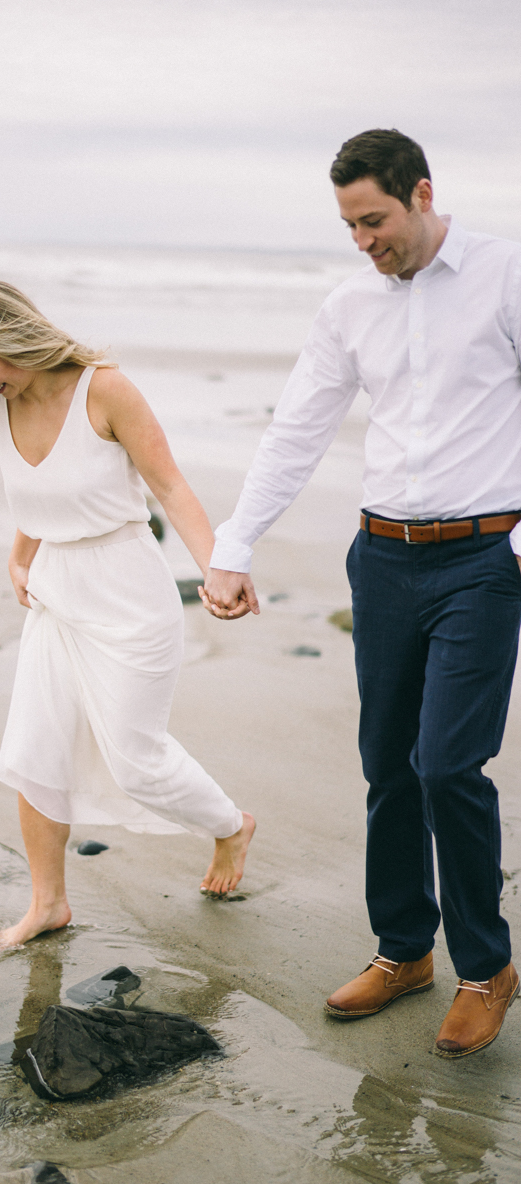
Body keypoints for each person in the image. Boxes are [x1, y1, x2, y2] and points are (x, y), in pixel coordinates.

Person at [202, 128, 521, 1058]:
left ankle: (486, 968)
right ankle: (402, 952)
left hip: (482, 560)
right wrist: (234, 544)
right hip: (381, 559)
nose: (362, 241)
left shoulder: (503, 275)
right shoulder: (349, 305)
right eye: (348, 224)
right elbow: (296, 429)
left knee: (447, 765)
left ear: (421, 195)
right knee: (387, 762)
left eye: (374, 220)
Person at [0, 280, 255, 949]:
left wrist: (217, 569)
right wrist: (20, 555)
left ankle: (229, 826)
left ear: (12, 336)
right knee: (35, 751)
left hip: (127, 591)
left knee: (137, 760)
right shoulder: (4, 401)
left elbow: (168, 485)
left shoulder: (104, 389)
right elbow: (37, 493)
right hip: (56, 593)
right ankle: (48, 904)